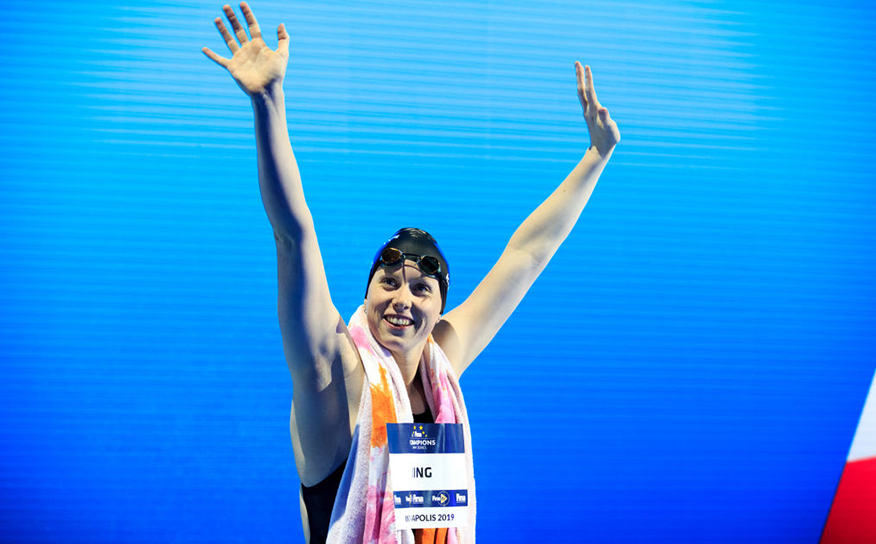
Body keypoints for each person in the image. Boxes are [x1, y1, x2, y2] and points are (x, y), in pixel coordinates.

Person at [203, 3, 620, 543]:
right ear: (368, 293)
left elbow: (527, 256)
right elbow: (293, 235)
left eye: (422, 289)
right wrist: (268, 102)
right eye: (389, 282)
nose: (402, 298)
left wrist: (596, 156)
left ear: (439, 311)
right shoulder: (333, 374)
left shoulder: (440, 364)